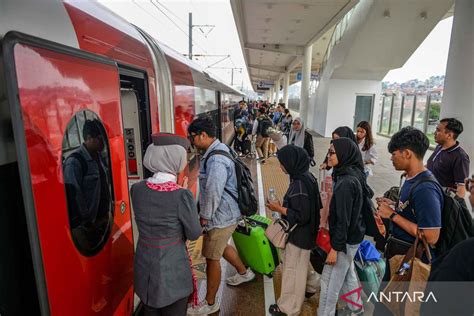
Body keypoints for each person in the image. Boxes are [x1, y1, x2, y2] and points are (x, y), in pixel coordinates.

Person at [187, 117, 255, 315]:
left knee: (211, 258)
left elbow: (213, 191)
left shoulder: (216, 159)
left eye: (193, 137)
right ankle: (244, 272)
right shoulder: (221, 149)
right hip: (229, 212)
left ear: (203, 135)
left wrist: (204, 218)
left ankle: (210, 304)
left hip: (221, 216)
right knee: (222, 247)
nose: (192, 141)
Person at [130, 134, 201, 316]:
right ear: (176, 159)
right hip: (173, 273)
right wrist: (186, 197)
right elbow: (194, 233)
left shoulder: (136, 189)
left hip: (144, 269)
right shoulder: (181, 196)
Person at [375, 127, 443, 314]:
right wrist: (395, 206)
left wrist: (392, 215)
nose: (391, 158)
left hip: (409, 262)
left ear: (407, 153)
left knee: (395, 307)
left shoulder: (425, 189)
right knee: (387, 302)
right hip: (399, 255)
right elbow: (411, 211)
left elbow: (431, 236)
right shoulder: (411, 179)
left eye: (394, 154)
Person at [265, 145, 321, 316]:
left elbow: (301, 215)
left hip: (299, 235)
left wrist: (278, 208)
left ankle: (288, 308)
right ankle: (312, 285)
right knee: (301, 265)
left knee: (292, 271)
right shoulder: (307, 177)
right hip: (308, 233)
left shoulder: (299, 184)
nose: (281, 167)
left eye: (282, 163)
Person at [317, 138, 366, 316]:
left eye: (332, 153)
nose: (328, 156)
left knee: (328, 285)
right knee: (346, 276)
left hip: (344, 242)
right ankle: (356, 308)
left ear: (344, 154)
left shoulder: (345, 183)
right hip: (352, 238)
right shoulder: (351, 173)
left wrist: (335, 249)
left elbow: (344, 220)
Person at [63, 119, 112, 248]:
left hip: (103, 218)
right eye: (100, 139)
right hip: (87, 225)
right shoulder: (74, 162)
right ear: (89, 138)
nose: (104, 143)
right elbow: (74, 197)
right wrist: (87, 223)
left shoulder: (100, 156)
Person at [427, 118, 470, 198]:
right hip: (428, 192)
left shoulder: (460, 157)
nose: (435, 133)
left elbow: (461, 188)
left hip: (441, 199)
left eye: (438, 130)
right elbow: (430, 165)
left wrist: (453, 208)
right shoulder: (439, 147)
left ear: (449, 135)